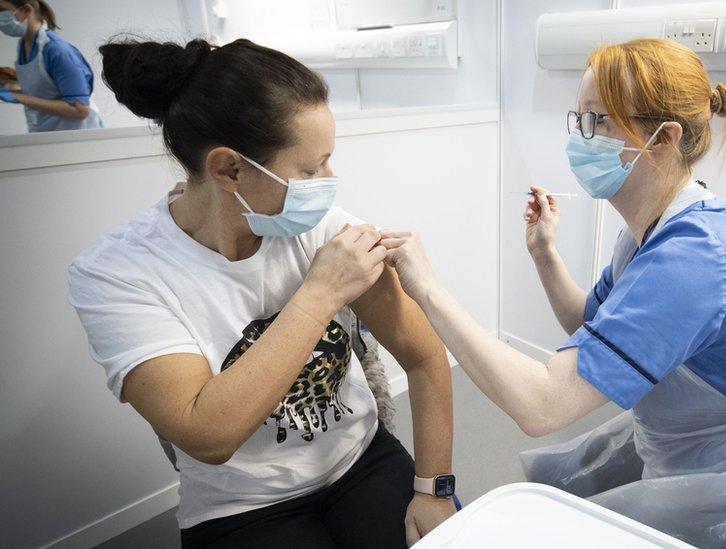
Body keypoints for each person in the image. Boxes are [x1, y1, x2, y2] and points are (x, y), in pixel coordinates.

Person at [379, 38, 726, 548]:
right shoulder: (651, 230)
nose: (581, 138)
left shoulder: (696, 257)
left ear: (664, 138)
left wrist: (427, 288)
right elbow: (587, 323)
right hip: (723, 462)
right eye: (578, 119)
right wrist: (544, 254)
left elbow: (542, 405)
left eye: (597, 122)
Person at [67, 38, 455, 548]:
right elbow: (208, 434)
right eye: (312, 170)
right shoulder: (117, 274)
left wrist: (433, 489)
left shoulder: (324, 230)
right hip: (241, 506)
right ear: (229, 169)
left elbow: (425, 357)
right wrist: (320, 293)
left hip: (360, 460)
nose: (330, 183)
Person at [0, 0, 104, 131]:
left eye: (2, 10)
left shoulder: (57, 50)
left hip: (78, 136)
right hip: (46, 133)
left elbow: (80, 109)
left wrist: (19, 97)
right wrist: (10, 89)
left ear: (27, 10)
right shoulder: (23, 46)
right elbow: (45, 92)